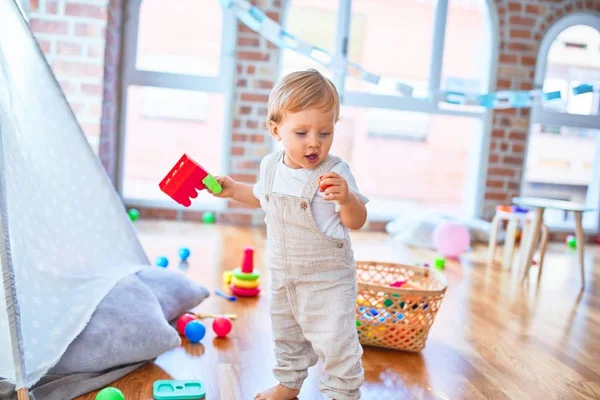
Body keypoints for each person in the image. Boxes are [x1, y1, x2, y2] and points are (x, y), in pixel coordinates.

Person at [210, 69, 368, 400]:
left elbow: (355, 221)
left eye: (325, 132)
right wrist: (233, 190)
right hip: (284, 276)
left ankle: (343, 392)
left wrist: (347, 199)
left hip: (329, 280)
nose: (315, 142)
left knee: (337, 341)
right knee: (286, 333)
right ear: (276, 129)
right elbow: (261, 197)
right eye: (302, 132)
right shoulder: (270, 166)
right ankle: (288, 383)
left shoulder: (335, 172)